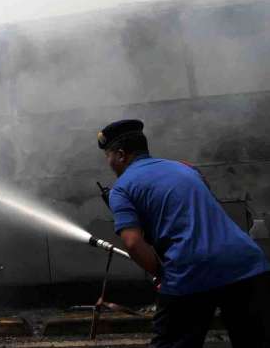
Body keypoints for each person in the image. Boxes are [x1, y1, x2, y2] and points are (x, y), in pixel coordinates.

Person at [97, 119, 270, 348]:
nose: (108, 163)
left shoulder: (122, 188)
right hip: (247, 263)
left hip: (190, 267)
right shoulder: (186, 168)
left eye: (107, 156)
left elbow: (132, 242)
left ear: (120, 155)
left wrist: (160, 272)